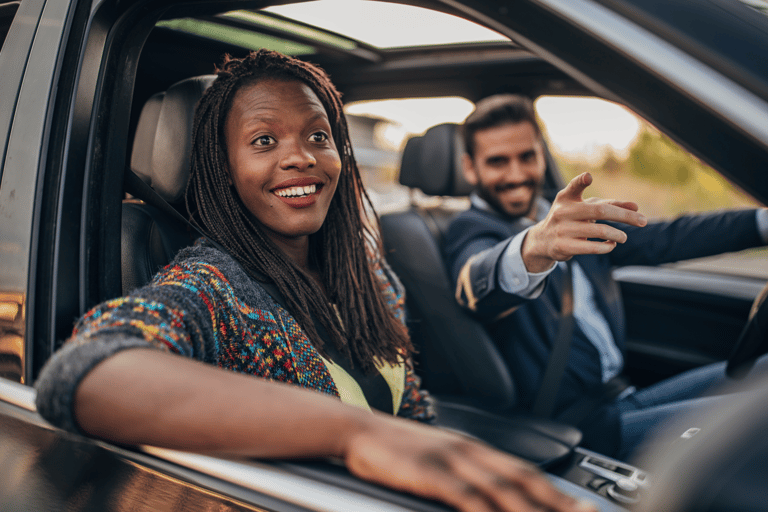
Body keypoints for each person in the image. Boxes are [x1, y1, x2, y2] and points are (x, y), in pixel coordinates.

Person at [33, 52, 594, 512]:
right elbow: (88, 373)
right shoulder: (212, 286)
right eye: (263, 141)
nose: (300, 158)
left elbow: (413, 408)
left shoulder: (363, 271)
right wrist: (358, 434)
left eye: (318, 136)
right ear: (221, 168)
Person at [444, 94, 768, 461]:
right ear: (470, 168)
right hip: (579, 429)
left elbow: (668, 237)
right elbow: (474, 285)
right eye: (498, 162)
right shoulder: (468, 229)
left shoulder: (563, 212)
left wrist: (761, 224)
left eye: (527, 157)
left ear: (541, 155)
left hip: (628, 395)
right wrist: (535, 245)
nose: (517, 174)